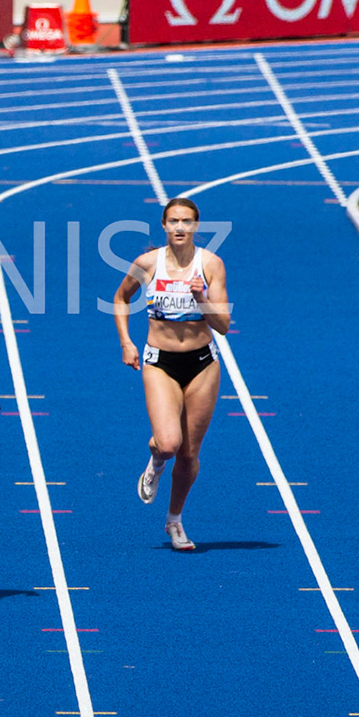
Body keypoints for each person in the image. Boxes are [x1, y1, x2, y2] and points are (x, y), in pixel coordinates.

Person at [111, 197, 231, 552]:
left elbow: (223, 325)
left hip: (202, 364)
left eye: (187, 222)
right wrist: (126, 343)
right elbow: (120, 299)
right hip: (160, 361)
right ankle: (156, 457)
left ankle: (175, 520)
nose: (180, 228)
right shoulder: (148, 263)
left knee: (189, 453)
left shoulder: (211, 264)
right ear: (163, 225)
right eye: (174, 221)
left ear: (196, 226)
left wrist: (203, 298)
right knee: (168, 443)